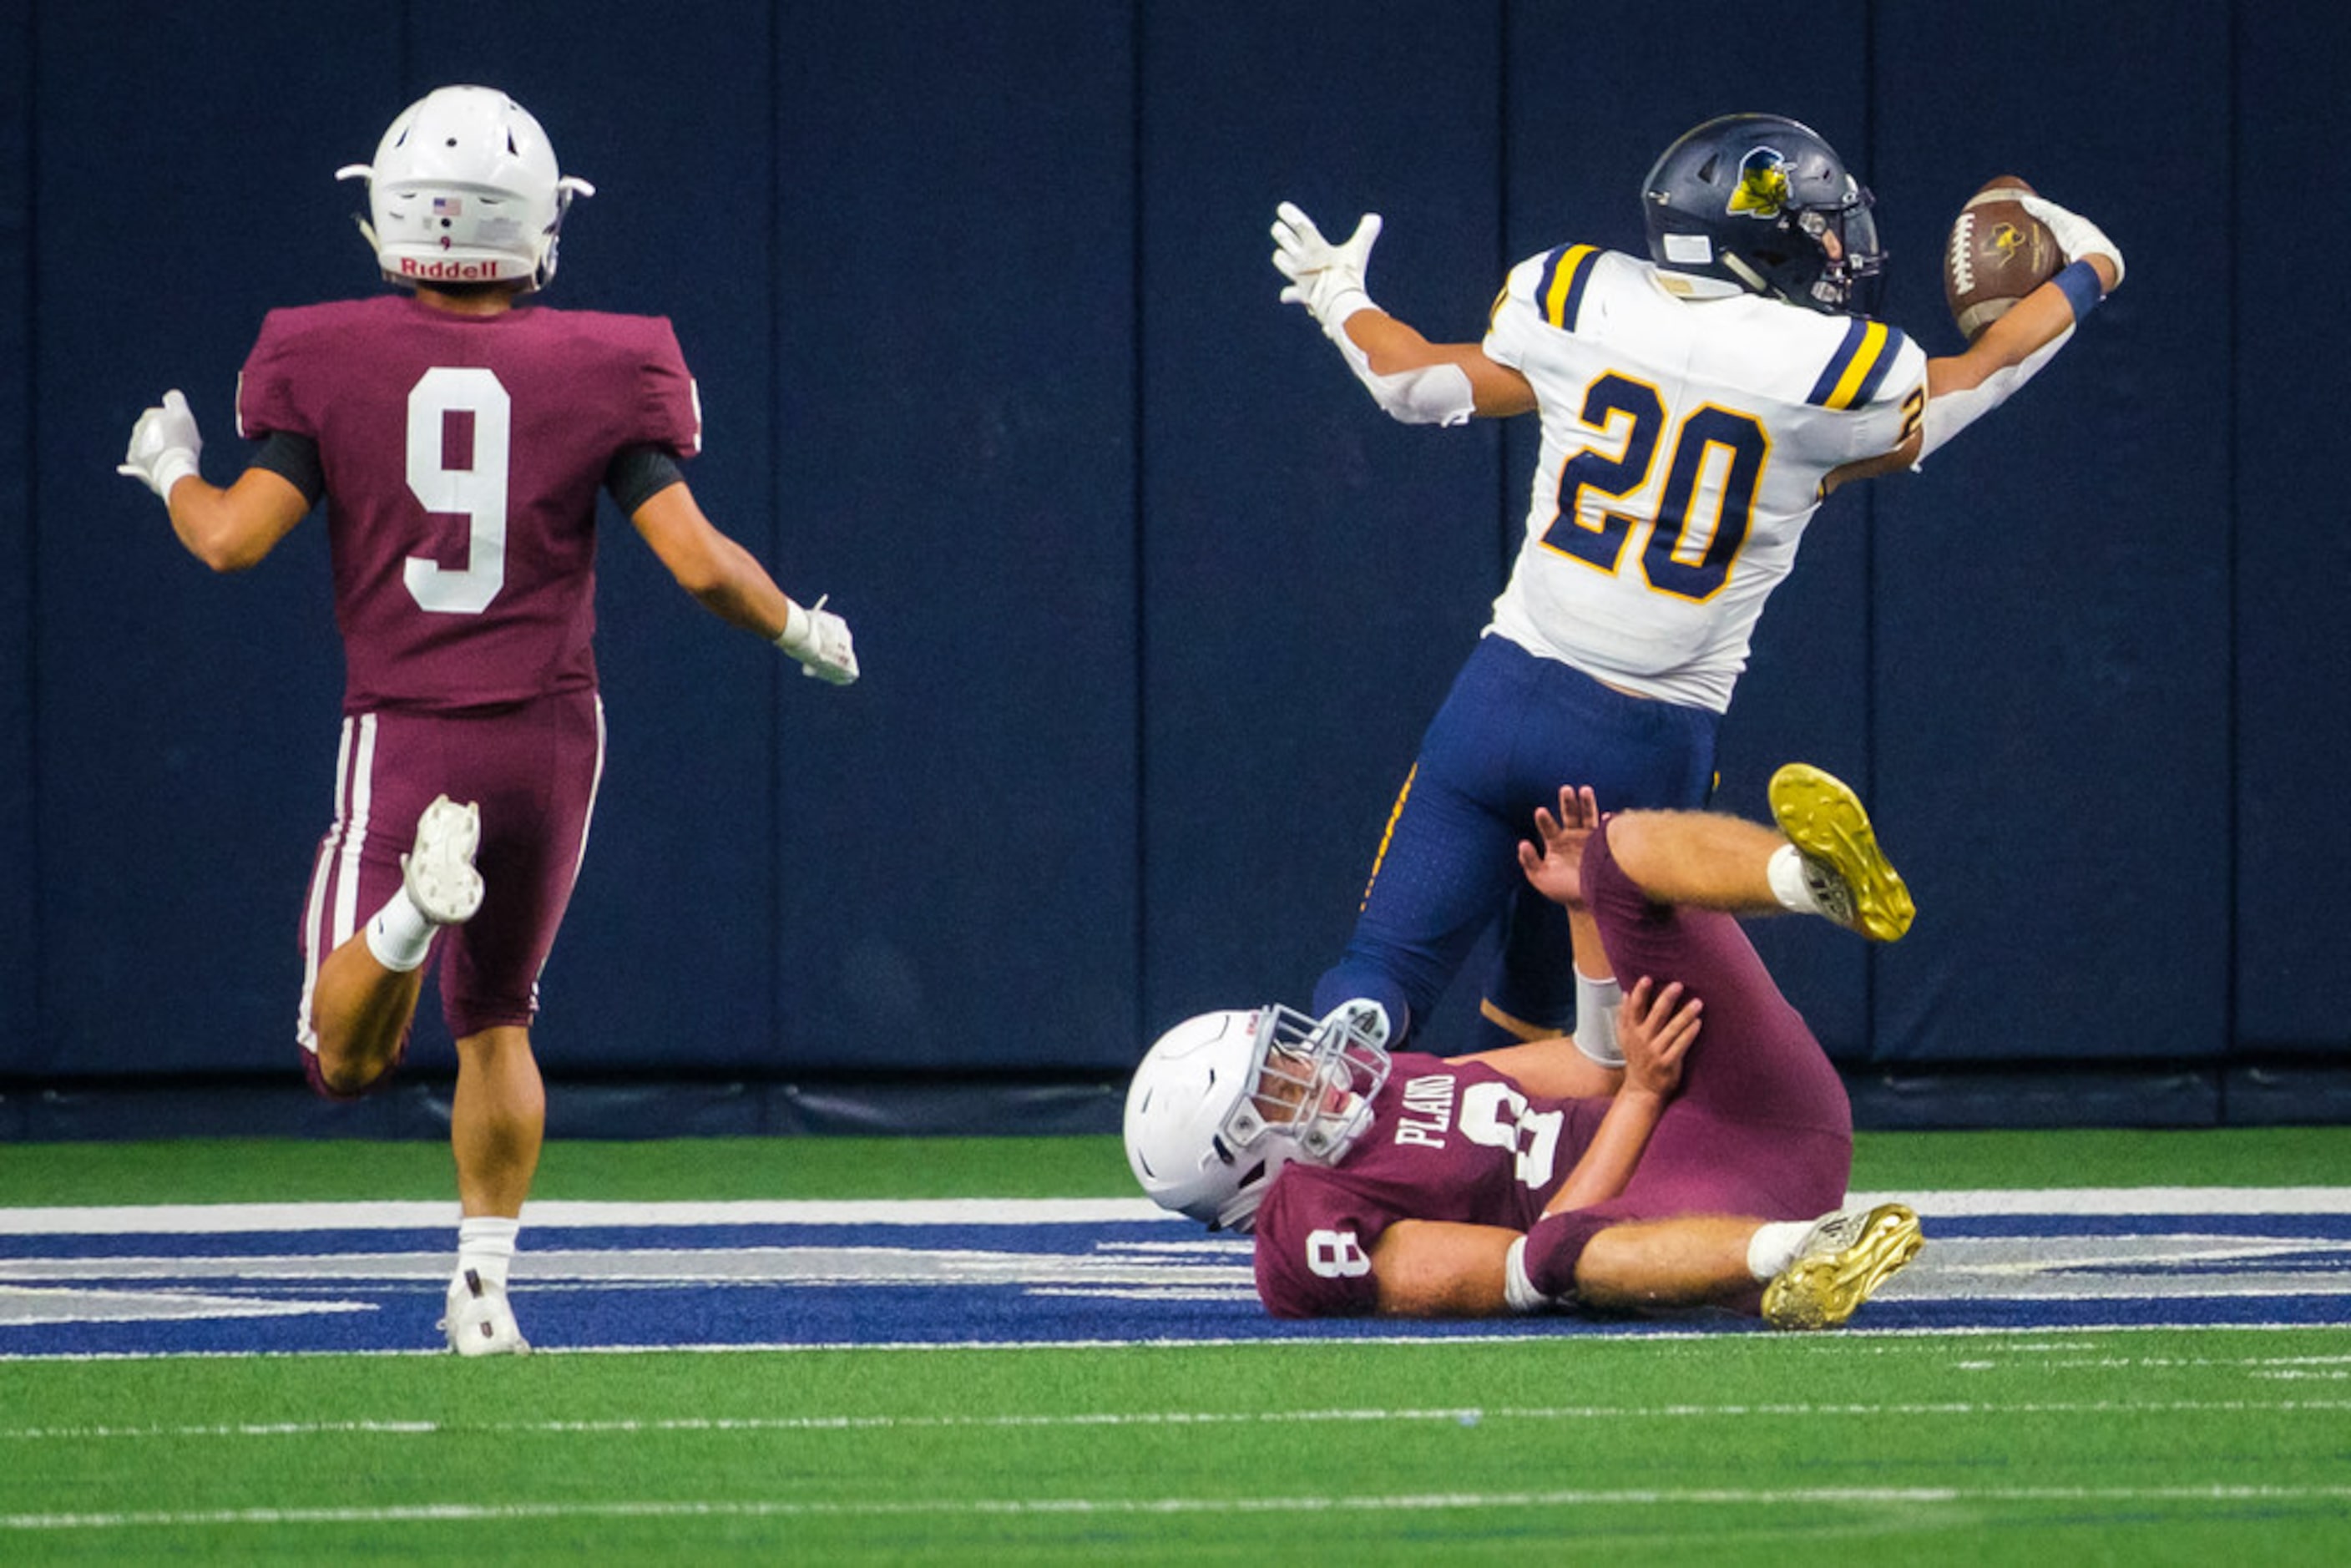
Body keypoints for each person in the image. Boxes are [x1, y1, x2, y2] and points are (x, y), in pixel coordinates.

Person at [114, 86, 858, 1357]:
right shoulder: (607, 365)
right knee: (498, 1014)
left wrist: (168, 469)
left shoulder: (328, 353)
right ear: (536, 226)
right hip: (552, 737)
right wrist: (802, 628)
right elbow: (696, 566)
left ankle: (411, 908)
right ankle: (484, 1288)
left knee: (339, 1058)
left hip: (406, 728)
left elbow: (233, 540)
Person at [1270, 113, 2124, 1055]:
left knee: (1383, 964)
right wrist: (2090, 271)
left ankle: (1337, 1063)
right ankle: (1538, 1156)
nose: (1841, 245)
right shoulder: (1832, 381)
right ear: (1759, 235)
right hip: (1646, 740)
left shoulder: (1572, 296)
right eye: (1822, 224)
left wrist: (1332, 290)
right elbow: (1980, 375)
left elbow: (1410, 383)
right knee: (1584, 1037)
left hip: (1500, 703)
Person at [1124, 761, 1923, 1328]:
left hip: (1750, 1111)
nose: (1304, 1064)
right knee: (1564, 1255)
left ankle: (1811, 880)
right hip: (1686, 1218)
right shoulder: (1308, 1224)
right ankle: (1812, 1251)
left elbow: (1594, 1066)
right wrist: (1645, 1099)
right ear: (1241, 1161)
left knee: (1616, 852)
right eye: (1275, 1082)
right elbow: (1523, 1275)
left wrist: (1582, 912)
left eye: (1283, 1053)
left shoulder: (1386, 1084)